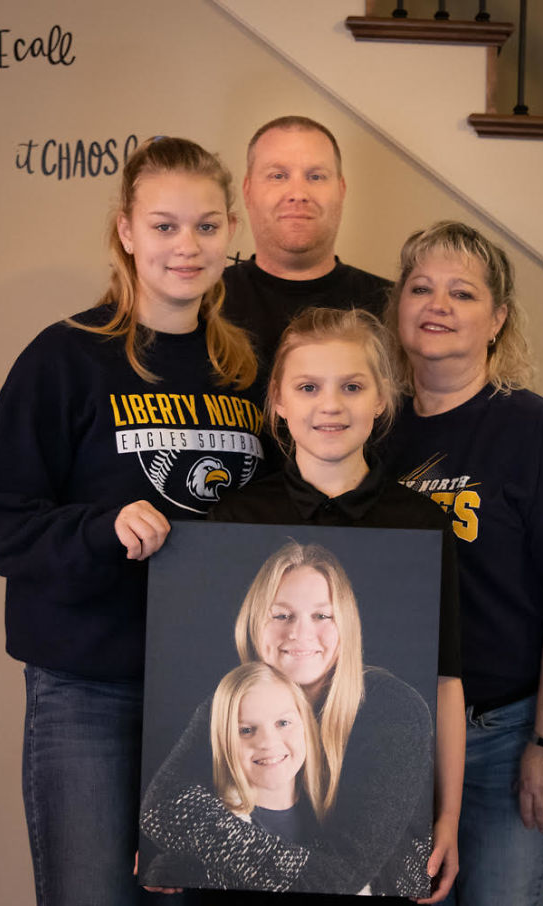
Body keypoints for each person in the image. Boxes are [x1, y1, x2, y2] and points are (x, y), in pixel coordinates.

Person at [0, 136, 266, 906]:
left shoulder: (250, 370)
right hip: (88, 690)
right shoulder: (65, 358)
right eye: (163, 226)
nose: (185, 247)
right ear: (126, 231)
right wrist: (101, 529)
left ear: (230, 230)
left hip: (220, 695)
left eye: (204, 226)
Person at [141, 307, 465, 902]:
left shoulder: (419, 526)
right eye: (309, 387)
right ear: (279, 402)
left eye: (352, 386)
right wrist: (171, 850)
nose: (330, 406)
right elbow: (161, 809)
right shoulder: (235, 517)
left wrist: (446, 819)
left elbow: (446, 681)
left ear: (382, 400)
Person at [381, 220, 543, 906]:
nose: (438, 305)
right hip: (392, 739)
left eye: (462, 294)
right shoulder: (370, 430)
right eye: (421, 288)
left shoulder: (538, 433)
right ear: (397, 306)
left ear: (496, 319)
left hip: (502, 740)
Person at [141, 542, 437, 899]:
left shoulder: (395, 710)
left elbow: (339, 880)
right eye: (281, 615)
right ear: (254, 623)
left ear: (346, 624)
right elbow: (162, 808)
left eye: (322, 616)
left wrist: (197, 862)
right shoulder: (233, 700)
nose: (298, 633)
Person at [222, 115, 391, 364]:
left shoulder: (394, 309)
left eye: (316, 176)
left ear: (341, 190)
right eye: (278, 176)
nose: (298, 194)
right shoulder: (204, 303)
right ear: (247, 190)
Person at [144, 662, 324, 889]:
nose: (268, 742)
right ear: (224, 741)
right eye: (246, 730)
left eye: (283, 723)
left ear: (306, 725)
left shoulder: (336, 818)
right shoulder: (201, 838)